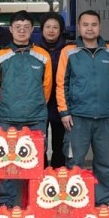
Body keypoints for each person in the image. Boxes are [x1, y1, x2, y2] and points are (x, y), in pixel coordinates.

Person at [56, 10, 109, 207]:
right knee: (74, 162)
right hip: (77, 118)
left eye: (94, 24)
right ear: (79, 27)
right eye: (85, 24)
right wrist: (64, 112)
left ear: (99, 26)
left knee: (104, 163)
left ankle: (103, 201)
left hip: (105, 118)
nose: (89, 28)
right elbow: (62, 83)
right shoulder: (69, 52)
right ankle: (75, 201)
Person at [0, 10, 52, 207]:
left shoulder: (42, 56)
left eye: (26, 27)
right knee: (6, 162)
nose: (22, 31)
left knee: (35, 162)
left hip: (35, 118)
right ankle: (6, 202)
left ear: (32, 30)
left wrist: (36, 104)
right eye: (18, 27)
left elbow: (46, 87)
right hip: (6, 117)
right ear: (10, 29)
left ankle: (35, 201)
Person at [38, 12, 67, 168]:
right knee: (38, 144)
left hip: (61, 103)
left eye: (55, 27)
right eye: (47, 27)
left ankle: (57, 176)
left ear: (61, 30)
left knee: (59, 145)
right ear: (42, 29)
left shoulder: (68, 50)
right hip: (40, 103)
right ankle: (41, 176)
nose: (51, 30)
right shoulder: (34, 49)